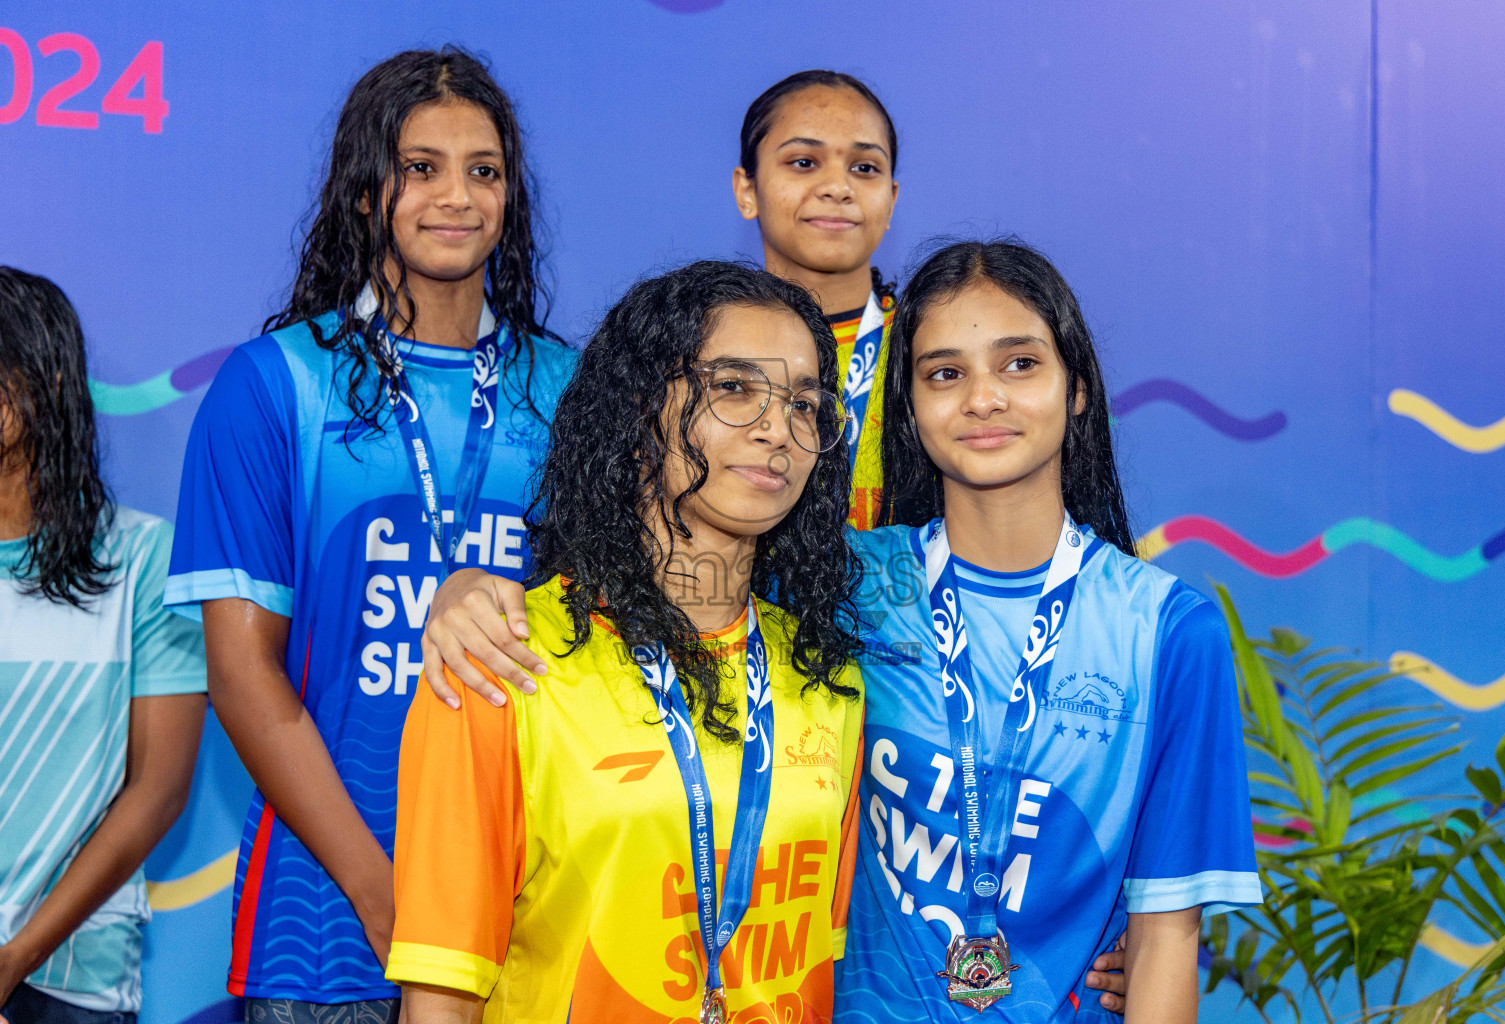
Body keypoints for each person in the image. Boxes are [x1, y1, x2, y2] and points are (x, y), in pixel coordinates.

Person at [419, 240, 1260, 1020]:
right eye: (941, 373)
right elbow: (662, 583)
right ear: (908, 411)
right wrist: (463, 591)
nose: (983, 397)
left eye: (1020, 363)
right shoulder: (846, 593)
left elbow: (1166, 936)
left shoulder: (1162, 627)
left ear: (1077, 388)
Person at [165, 48, 574, 1022]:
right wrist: (383, 890)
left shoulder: (569, 389)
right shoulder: (274, 384)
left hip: (529, 899)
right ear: (363, 189)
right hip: (328, 915)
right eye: (419, 165)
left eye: (483, 169)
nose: (456, 196)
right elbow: (241, 673)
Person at [385, 261, 865, 1022]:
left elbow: (815, 972)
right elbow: (440, 996)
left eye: (806, 405)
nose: (779, 429)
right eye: (736, 389)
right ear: (639, 412)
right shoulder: (503, 658)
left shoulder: (826, 678)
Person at [0, 268, 206, 1024]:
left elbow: (159, 788)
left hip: (73, 976)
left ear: (48, 378)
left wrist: (14, 956)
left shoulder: (147, 560)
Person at [733, 70, 900, 532]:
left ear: (891, 200)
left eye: (865, 168)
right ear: (747, 190)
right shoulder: (696, 351)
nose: (837, 187)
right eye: (804, 162)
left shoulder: (936, 351)